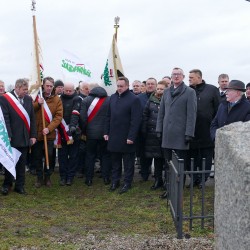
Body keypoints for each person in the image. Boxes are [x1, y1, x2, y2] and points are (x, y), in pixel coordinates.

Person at [156, 67, 197, 198]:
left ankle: (177, 191)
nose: (176, 76)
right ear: (171, 76)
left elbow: (192, 114)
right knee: (168, 165)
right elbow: (161, 113)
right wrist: (159, 129)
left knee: (179, 166)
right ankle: (169, 189)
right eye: (174, 74)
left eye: (179, 74)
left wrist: (189, 133)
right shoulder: (167, 91)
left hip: (181, 135)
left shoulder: (189, 92)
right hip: (167, 135)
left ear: (183, 77)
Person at [104, 76, 142, 194]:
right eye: (118, 86)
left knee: (128, 163)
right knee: (115, 162)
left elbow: (136, 120)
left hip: (127, 137)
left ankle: (127, 182)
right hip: (114, 136)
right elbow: (108, 116)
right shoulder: (112, 98)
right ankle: (115, 181)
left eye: (121, 86)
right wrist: (106, 132)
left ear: (127, 86)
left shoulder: (134, 99)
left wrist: (131, 136)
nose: (119, 88)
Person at [1, 78, 37, 195]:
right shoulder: (6, 98)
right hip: (12, 137)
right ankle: (7, 184)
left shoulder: (28, 99)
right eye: (24, 89)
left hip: (25, 137)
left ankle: (20, 186)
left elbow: (32, 118)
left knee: (22, 163)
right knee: (10, 162)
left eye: (27, 89)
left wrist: (33, 135)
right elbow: (5, 118)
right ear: (16, 88)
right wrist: (8, 135)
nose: (26, 92)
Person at [188, 69, 220, 188]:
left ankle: (203, 179)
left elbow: (218, 109)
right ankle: (194, 178)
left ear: (199, 77)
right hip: (191, 132)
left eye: (191, 77)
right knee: (192, 157)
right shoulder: (188, 90)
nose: (189, 79)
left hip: (207, 131)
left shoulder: (212, 90)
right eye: (189, 77)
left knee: (205, 157)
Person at [32, 77, 63, 188]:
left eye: (51, 86)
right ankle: (39, 177)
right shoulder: (36, 97)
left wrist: (49, 128)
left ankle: (48, 177)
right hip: (36, 133)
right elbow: (29, 110)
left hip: (49, 134)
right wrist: (37, 104)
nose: (49, 88)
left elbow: (58, 117)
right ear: (43, 86)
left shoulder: (57, 100)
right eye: (47, 86)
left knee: (49, 156)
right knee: (37, 156)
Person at [79, 86, 111, 186]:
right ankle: (106, 177)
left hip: (90, 133)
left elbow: (83, 118)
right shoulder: (108, 100)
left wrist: (84, 131)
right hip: (105, 133)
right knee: (105, 155)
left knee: (90, 156)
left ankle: (89, 179)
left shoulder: (86, 100)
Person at [142, 81, 166, 190]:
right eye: (158, 89)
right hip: (152, 133)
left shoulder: (168, 100)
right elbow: (145, 115)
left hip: (164, 133)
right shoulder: (150, 101)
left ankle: (165, 180)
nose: (159, 91)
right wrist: (144, 129)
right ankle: (157, 179)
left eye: (162, 89)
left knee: (164, 159)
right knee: (156, 157)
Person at [57, 83, 82, 186]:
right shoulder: (59, 99)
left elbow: (75, 113)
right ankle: (63, 176)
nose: (67, 92)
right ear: (63, 90)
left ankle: (70, 177)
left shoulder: (77, 99)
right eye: (66, 90)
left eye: (70, 91)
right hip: (61, 132)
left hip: (73, 132)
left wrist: (72, 126)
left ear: (73, 90)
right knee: (62, 156)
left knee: (73, 156)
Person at [138, 77, 157, 181]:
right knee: (144, 154)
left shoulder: (161, 97)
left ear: (156, 85)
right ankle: (144, 174)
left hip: (156, 131)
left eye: (152, 84)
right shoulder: (139, 98)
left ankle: (157, 174)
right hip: (143, 131)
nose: (150, 86)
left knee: (156, 154)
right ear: (145, 86)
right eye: (148, 84)